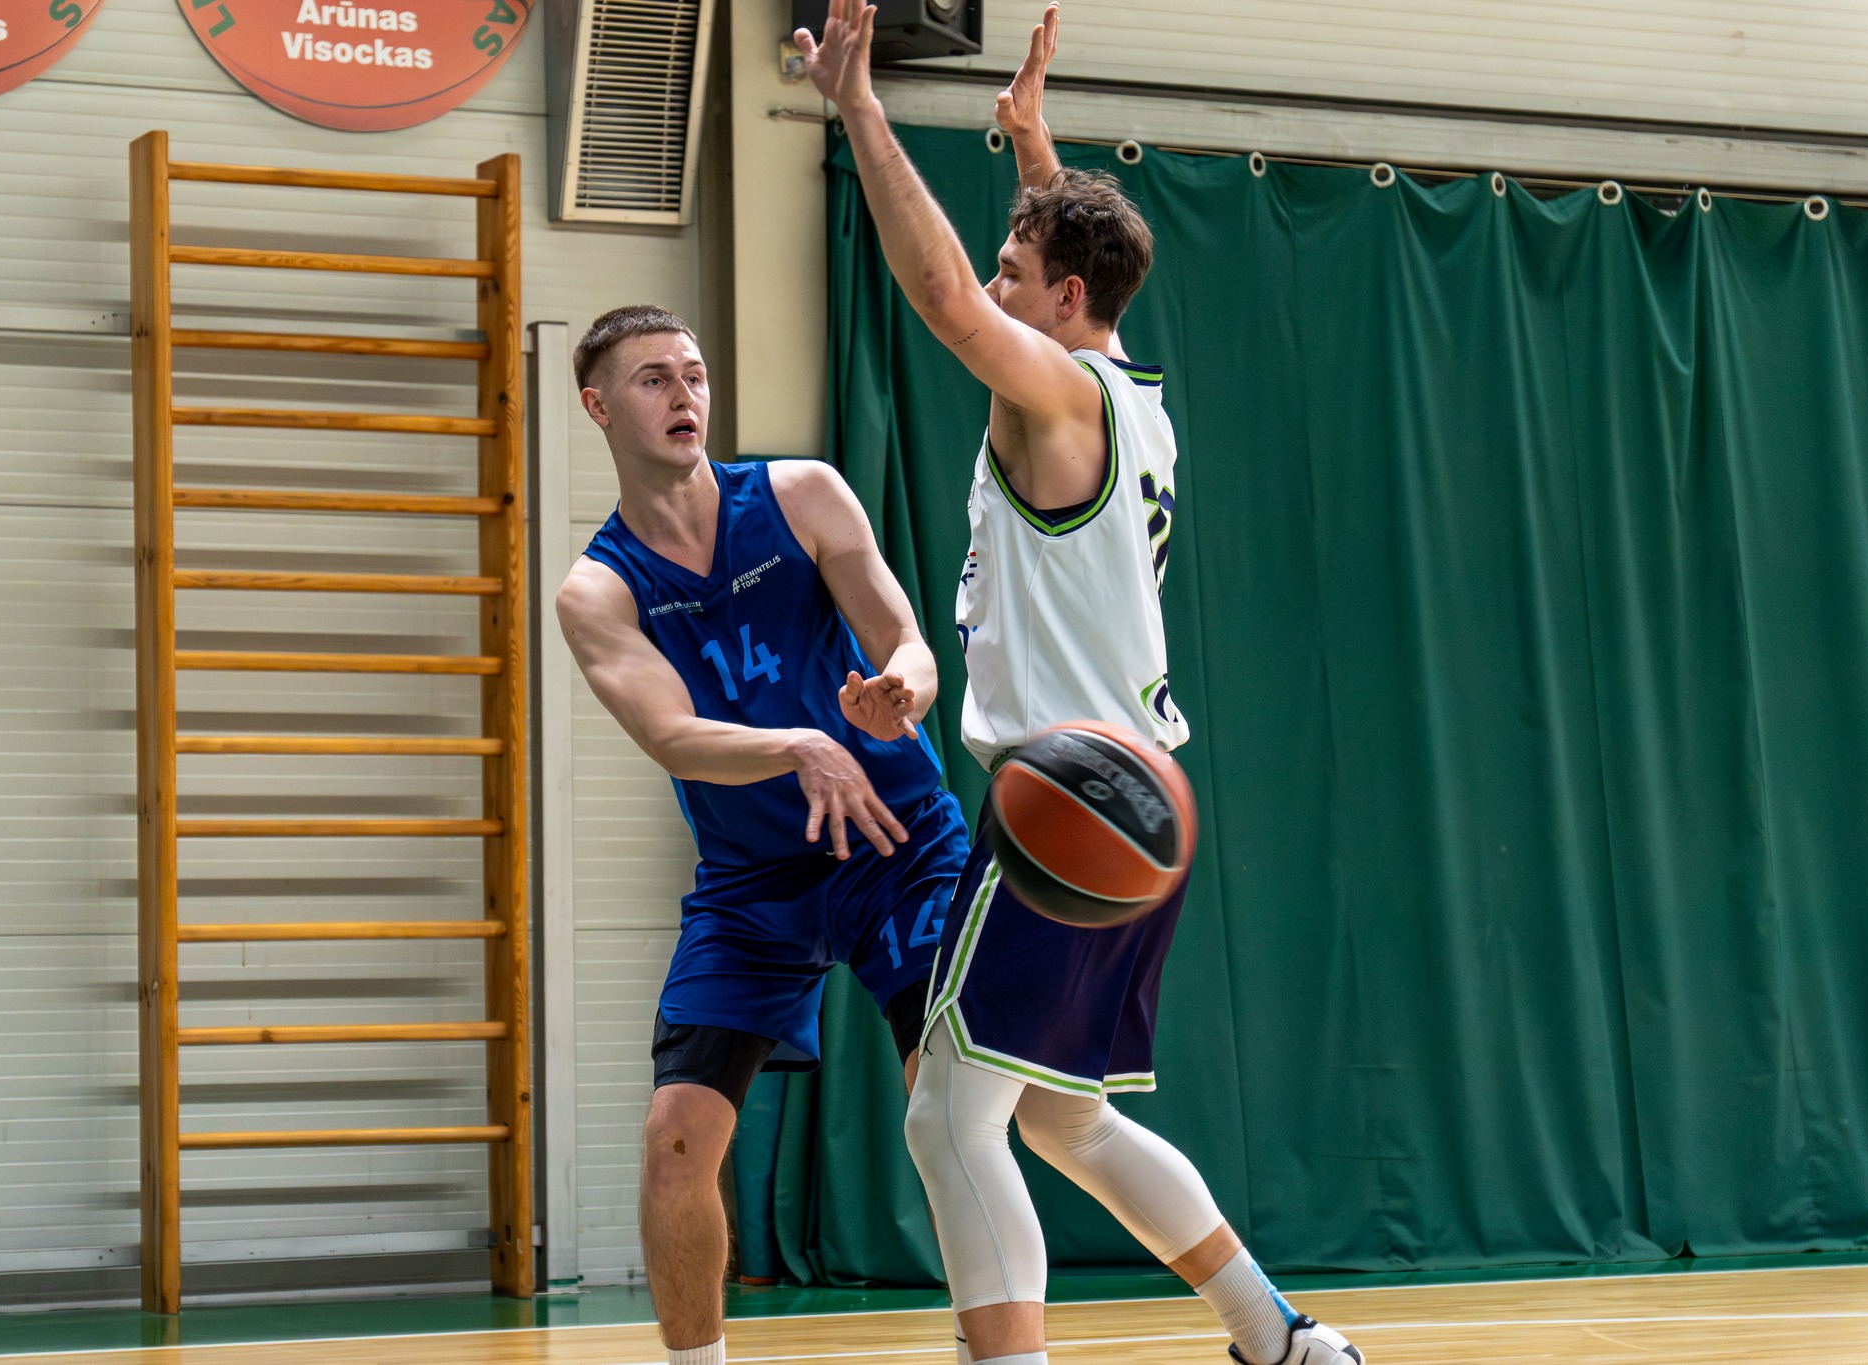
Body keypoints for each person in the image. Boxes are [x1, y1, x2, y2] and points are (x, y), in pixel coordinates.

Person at [796, 7, 1364, 1365]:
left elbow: (944, 300)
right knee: (1062, 1117)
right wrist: (1033, 151)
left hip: (1073, 798)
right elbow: (1055, 278)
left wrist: (861, 108)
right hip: (1141, 799)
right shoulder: (1127, 393)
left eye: (1015, 268)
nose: (993, 285)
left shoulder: (1054, 400)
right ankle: (1279, 1339)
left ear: (1059, 302)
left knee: (947, 1118)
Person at [555, 305, 969, 1365]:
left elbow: (909, 642)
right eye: (652, 379)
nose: (684, 394)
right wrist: (799, 744)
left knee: (952, 1111)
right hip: (753, 883)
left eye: (693, 373)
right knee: (674, 1140)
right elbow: (671, 736)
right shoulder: (598, 588)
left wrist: (900, 692)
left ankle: (1006, 1341)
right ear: (598, 406)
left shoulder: (801, 496)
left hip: (897, 845)